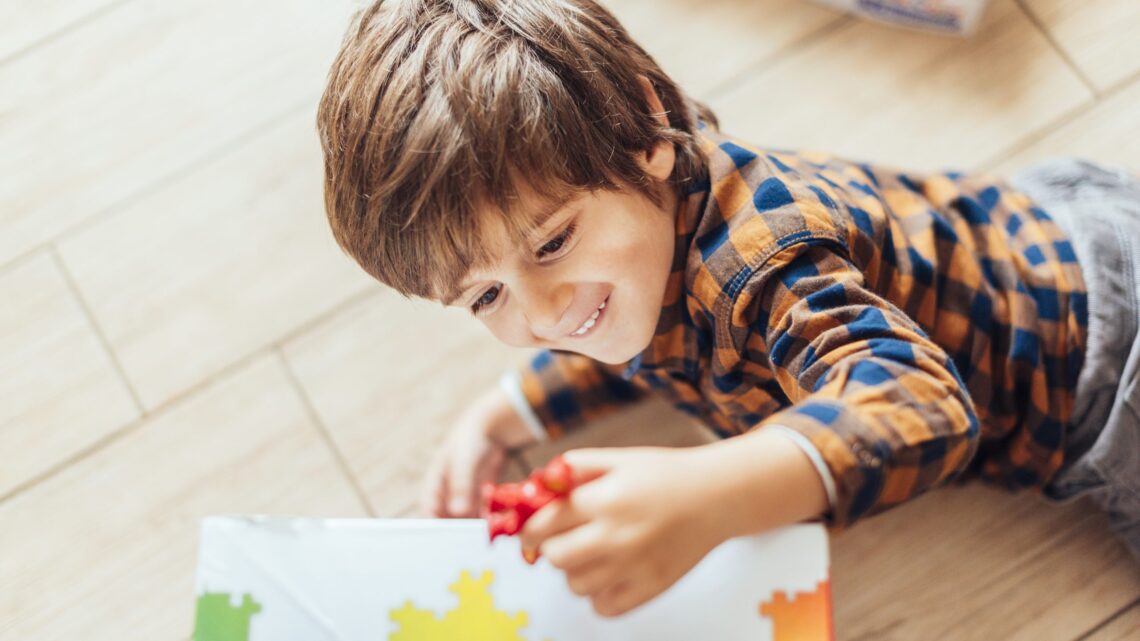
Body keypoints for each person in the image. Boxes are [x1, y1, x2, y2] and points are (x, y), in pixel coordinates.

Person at [316, 0, 1140, 617]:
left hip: (1103, 366)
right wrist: (509, 414)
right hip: (1043, 227)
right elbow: (634, 337)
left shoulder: (762, 263)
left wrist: (709, 493)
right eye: (486, 296)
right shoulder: (648, 235)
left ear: (645, 128)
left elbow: (926, 405)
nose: (545, 309)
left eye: (553, 242)